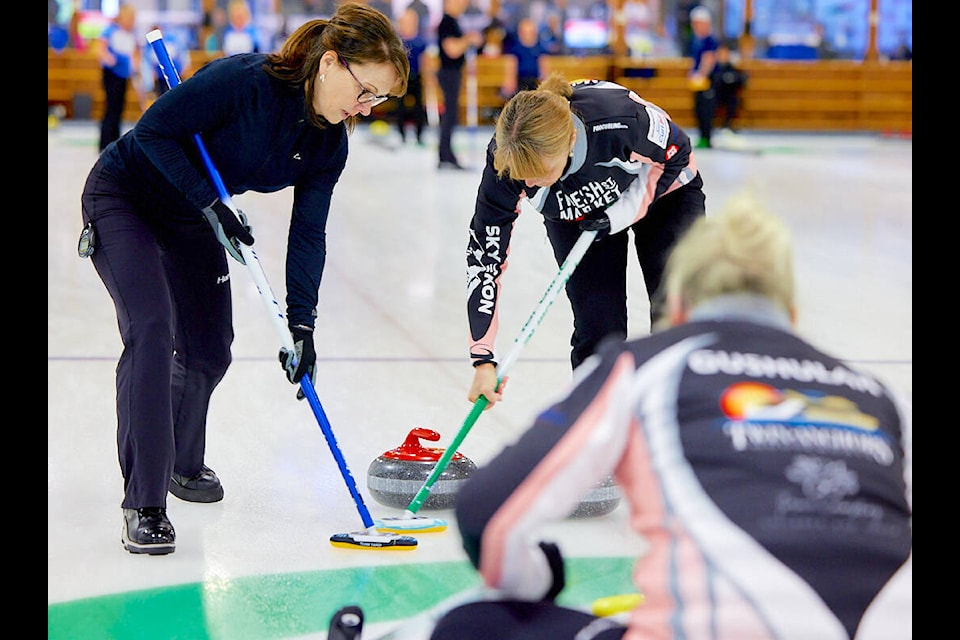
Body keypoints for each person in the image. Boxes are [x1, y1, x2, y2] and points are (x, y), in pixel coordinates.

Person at [433, 194, 913, 640]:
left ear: (677, 306)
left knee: (474, 624)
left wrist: (539, 578)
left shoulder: (644, 365)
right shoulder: (872, 394)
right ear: (789, 309)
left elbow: (487, 511)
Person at [78, 2, 409, 556]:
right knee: (153, 330)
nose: (366, 108)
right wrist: (211, 199)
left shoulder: (329, 144)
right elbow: (154, 133)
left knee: (210, 350)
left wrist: (302, 326)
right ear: (330, 63)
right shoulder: (245, 82)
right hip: (126, 196)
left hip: (191, 214)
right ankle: (145, 502)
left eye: (378, 99)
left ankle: (183, 466)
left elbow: (308, 235)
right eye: (365, 91)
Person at [466, 72, 706, 409]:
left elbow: (678, 153)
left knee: (676, 310)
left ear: (568, 143)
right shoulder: (505, 162)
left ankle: (683, 415)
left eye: (538, 173)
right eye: (523, 178)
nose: (530, 183)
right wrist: (483, 359)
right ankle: (594, 427)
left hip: (665, 190)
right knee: (598, 328)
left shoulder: (618, 120)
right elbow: (484, 258)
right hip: (578, 212)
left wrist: (619, 215)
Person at [436, 0, 484, 170]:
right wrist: (468, 39)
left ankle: (447, 153)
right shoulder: (447, 22)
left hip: (455, 73)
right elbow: (452, 49)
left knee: (452, 114)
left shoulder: (455, 21)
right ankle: (445, 154)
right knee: (450, 114)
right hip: (448, 73)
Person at [94, 2, 140, 152]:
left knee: (120, 108)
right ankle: (105, 142)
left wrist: (135, 67)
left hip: (123, 75)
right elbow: (100, 49)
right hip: (111, 74)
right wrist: (109, 58)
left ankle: (115, 141)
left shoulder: (130, 35)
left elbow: (134, 54)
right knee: (111, 108)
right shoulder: (110, 31)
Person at [686, 5, 718, 149]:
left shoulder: (709, 40)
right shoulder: (696, 40)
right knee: (698, 109)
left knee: (706, 110)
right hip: (698, 80)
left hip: (708, 81)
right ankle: (702, 136)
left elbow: (709, 59)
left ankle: (707, 137)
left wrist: (701, 74)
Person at [395, 7, 428, 145]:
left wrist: (427, 76)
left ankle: (419, 134)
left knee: (419, 107)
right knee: (400, 106)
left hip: (417, 77)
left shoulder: (420, 40)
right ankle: (402, 134)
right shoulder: (397, 41)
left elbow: (425, 60)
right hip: (402, 78)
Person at [502, 17, 546, 96]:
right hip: (519, 81)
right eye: (525, 33)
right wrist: (510, 82)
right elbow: (510, 67)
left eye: (530, 32)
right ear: (520, 33)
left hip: (535, 82)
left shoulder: (540, 48)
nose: (528, 36)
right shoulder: (515, 48)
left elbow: (544, 68)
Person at [710, 38, 746, 132]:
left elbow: (740, 80)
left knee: (733, 101)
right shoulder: (715, 68)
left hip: (729, 95)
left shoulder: (732, 67)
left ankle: (727, 125)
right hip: (716, 94)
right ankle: (709, 127)